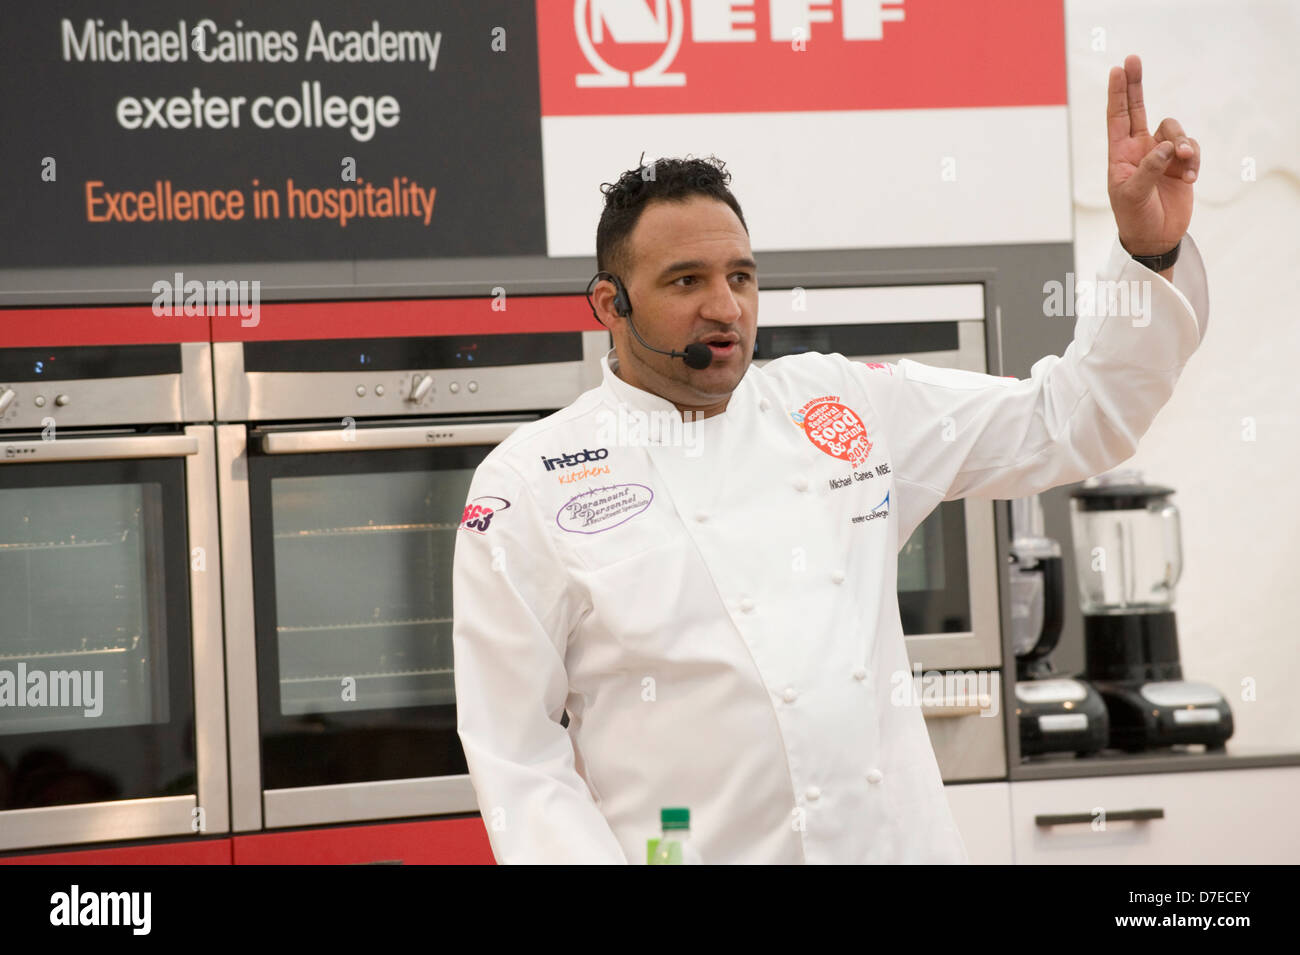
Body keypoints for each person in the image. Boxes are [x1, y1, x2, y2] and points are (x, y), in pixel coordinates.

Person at [451, 54, 1207, 863]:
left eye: (741, 275)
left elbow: (1072, 417)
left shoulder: (838, 404)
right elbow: (519, 762)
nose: (724, 305)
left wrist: (1146, 254)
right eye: (685, 280)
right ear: (611, 303)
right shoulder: (531, 480)